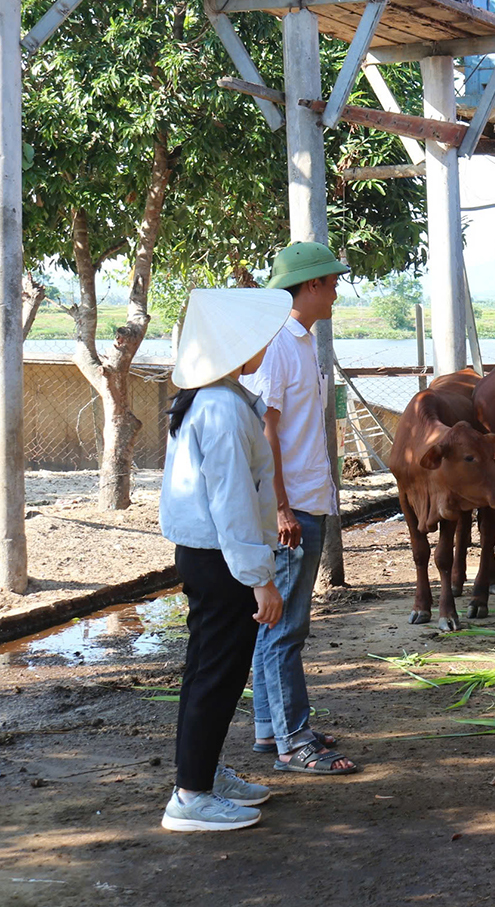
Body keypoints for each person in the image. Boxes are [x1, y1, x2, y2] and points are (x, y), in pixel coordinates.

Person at [158, 287, 293, 831]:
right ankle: (191, 797)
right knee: (216, 673)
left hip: (210, 556)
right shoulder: (219, 407)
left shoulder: (216, 395)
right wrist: (261, 580)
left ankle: (203, 775)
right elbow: (234, 503)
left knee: (208, 671)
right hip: (221, 559)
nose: (262, 344)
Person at [240, 242, 359, 775]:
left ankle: (272, 731)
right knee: (285, 629)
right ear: (310, 286)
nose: (335, 291)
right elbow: (268, 431)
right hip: (294, 509)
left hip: (306, 500)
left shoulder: (303, 342)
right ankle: (294, 742)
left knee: (276, 628)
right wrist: (283, 508)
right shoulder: (282, 346)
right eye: (331, 282)